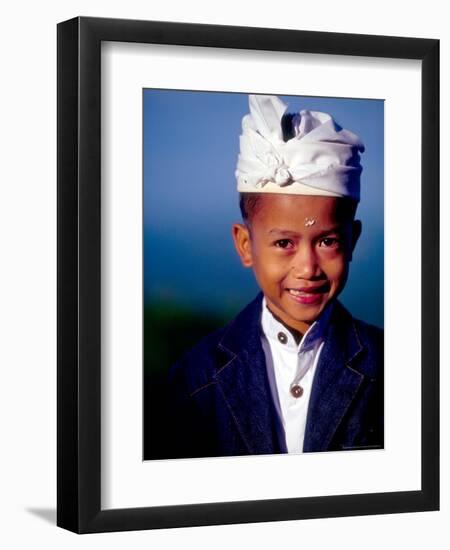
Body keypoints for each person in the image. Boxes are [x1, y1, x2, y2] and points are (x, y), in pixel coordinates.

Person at [165, 94, 383, 459]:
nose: (308, 268)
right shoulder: (195, 378)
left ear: (353, 240)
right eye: (283, 243)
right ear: (246, 245)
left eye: (328, 241)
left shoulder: (396, 369)